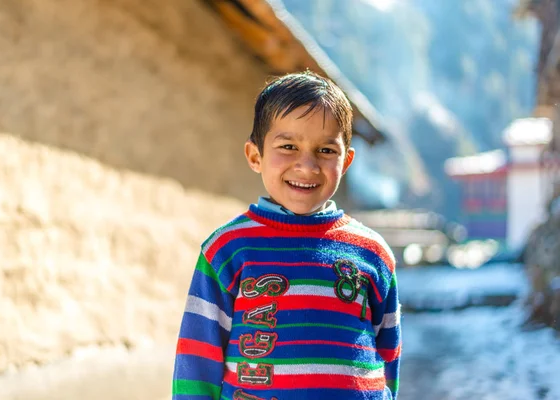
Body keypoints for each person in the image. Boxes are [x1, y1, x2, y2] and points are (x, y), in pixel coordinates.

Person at [172, 71, 401, 400]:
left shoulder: (373, 255)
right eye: (288, 146)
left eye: (325, 151)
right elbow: (196, 360)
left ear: (346, 161)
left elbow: (388, 356)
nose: (306, 166)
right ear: (255, 156)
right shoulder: (227, 250)